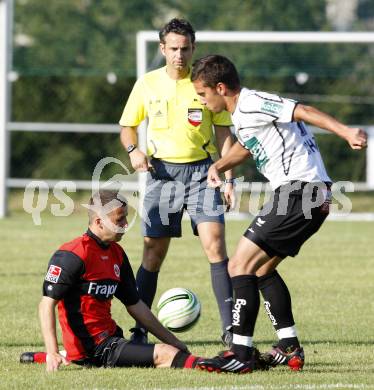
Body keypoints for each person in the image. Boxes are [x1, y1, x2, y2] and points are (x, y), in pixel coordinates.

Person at [190, 54, 368, 371]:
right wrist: (218, 165)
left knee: (239, 265)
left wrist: (344, 132)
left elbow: (302, 110)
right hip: (310, 195)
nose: (201, 101)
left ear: (220, 87)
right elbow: (247, 147)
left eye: (203, 94)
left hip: (301, 191)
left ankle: (240, 354)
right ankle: (289, 347)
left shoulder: (252, 101)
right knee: (260, 271)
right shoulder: (242, 116)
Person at [19, 190, 260, 373]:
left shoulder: (116, 253)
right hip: (97, 349)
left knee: (169, 348)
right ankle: (216, 365)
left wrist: (174, 340)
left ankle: (59, 355)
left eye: (125, 218)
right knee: (164, 355)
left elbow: (136, 306)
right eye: (119, 220)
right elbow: (46, 304)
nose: (125, 225)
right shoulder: (72, 255)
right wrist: (51, 352)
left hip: (110, 339)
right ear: (99, 222)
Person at [119, 18, 235, 346]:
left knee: (215, 246)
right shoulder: (147, 84)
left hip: (203, 173)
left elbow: (224, 132)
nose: (179, 55)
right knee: (153, 253)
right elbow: (128, 126)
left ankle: (231, 330)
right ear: (162, 49)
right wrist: (133, 150)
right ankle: (140, 332)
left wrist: (229, 179)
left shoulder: (205, 83)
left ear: (193, 48)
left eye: (185, 49)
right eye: (173, 49)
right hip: (162, 176)